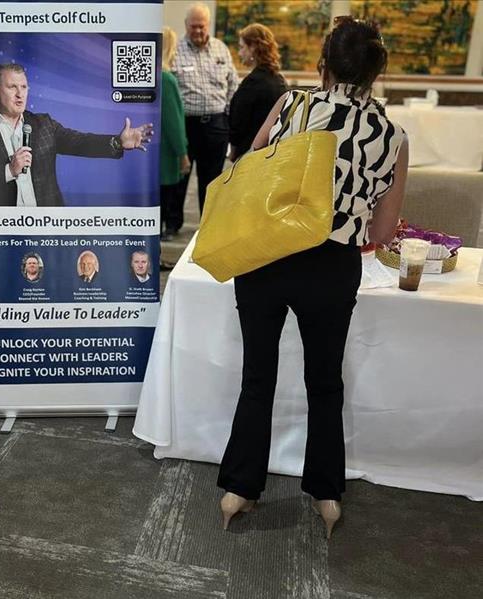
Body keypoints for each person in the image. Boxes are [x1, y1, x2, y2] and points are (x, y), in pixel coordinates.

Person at [217, 16, 408, 539]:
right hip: (331, 265)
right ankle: (326, 493)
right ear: (377, 71)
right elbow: (384, 229)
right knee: (325, 382)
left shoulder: (292, 104)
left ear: (324, 62)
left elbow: (249, 166)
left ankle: (239, 489)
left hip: (266, 254)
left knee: (258, 375)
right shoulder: (391, 135)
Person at [0, 63, 154, 207]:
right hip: (0, 229)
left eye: (24, 87)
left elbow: (80, 142)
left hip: (47, 225)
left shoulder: (43, 124)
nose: (20, 94)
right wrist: (9, 171)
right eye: (12, 87)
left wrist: (117, 142)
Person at [172, 3, 238, 217]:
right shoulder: (174, 50)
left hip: (216, 125)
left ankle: (207, 224)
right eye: (193, 26)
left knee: (212, 180)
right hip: (185, 125)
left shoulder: (221, 49)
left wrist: (226, 115)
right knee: (180, 177)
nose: (198, 31)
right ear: (185, 25)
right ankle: (173, 223)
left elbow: (233, 84)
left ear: (208, 25)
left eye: (202, 26)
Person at [228, 23, 287, 161]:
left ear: (253, 47)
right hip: (274, 154)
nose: (239, 52)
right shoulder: (279, 81)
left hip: (250, 155)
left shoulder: (252, 84)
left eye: (242, 47)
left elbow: (238, 124)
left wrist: (234, 150)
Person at [160, 26, 190, 241]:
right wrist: (183, 152)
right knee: (165, 196)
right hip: (166, 151)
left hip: (151, 147)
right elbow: (174, 123)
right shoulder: (167, 80)